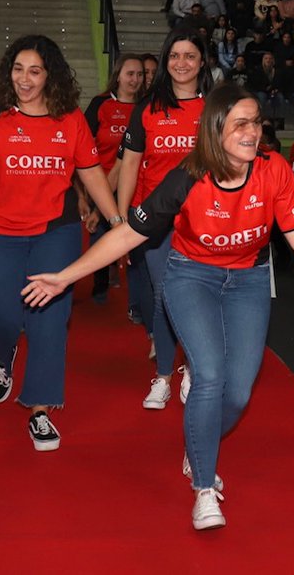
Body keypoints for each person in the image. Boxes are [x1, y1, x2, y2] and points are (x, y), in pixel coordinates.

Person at [23, 83, 294, 530]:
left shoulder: (275, 170)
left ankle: (199, 438)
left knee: (239, 392)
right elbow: (130, 233)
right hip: (190, 277)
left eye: (257, 122)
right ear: (215, 128)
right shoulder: (187, 178)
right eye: (240, 123)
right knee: (208, 374)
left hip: (247, 280)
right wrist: (66, 276)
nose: (252, 132)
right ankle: (204, 486)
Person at [0, 35, 120, 452]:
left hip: (54, 232)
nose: (24, 79)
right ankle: (2, 356)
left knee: (49, 321)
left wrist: (116, 221)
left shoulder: (71, 118)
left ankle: (40, 410)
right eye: (18, 69)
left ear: (50, 76)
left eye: (35, 71)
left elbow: (92, 172)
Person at [118, 28, 214, 408]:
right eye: (174, 56)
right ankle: (162, 377)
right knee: (164, 297)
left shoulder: (214, 109)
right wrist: (124, 219)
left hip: (203, 221)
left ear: (202, 62)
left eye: (190, 56)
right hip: (156, 221)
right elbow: (130, 164)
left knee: (197, 297)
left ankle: (192, 366)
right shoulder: (148, 107)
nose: (181, 63)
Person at [83, 54, 144, 302]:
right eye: (130, 74)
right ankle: (101, 284)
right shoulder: (101, 104)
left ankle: (137, 296)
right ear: (117, 75)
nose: (135, 80)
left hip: (136, 183)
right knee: (100, 234)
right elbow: (83, 145)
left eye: (140, 75)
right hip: (101, 181)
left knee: (136, 237)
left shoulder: (147, 106)